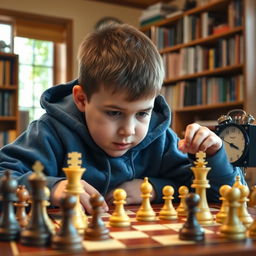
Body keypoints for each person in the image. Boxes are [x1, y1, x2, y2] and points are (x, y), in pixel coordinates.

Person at [0, 24, 245, 213]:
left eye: (142, 113)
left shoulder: (160, 139)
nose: (128, 130)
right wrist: (51, 187)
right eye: (114, 113)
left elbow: (227, 196)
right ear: (82, 99)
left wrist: (213, 156)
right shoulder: (49, 131)